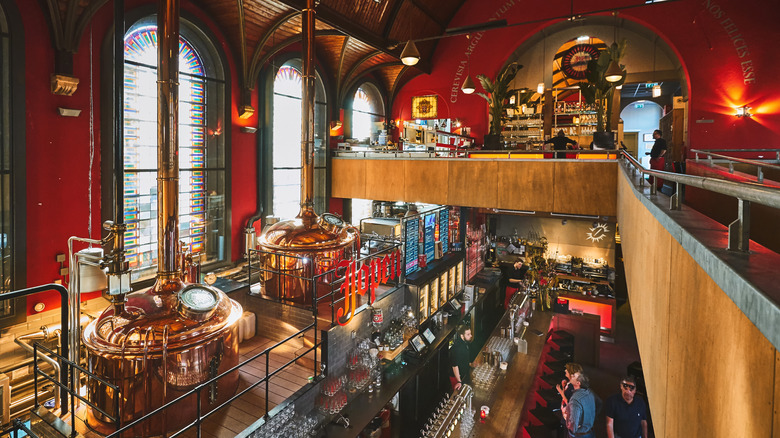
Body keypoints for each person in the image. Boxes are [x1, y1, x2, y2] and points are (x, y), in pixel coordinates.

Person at [562, 372, 596, 438]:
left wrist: (566, 417)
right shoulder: (589, 392)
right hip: (590, 432)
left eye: (574, 376)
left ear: (578, 383)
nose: (572, 375)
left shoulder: (575, 400)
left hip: (579, 435)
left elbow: (573, 426)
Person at [449, 326, 474, 391]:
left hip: (463, 374)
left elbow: (464, 358)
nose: (471, 336)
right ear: (462, 336)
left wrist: (471, 364)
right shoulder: (456, 348)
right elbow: (454, 366)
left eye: (470, 333)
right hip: (456, 377)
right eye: (468, 334)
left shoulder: (464, 342)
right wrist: (459, 381)